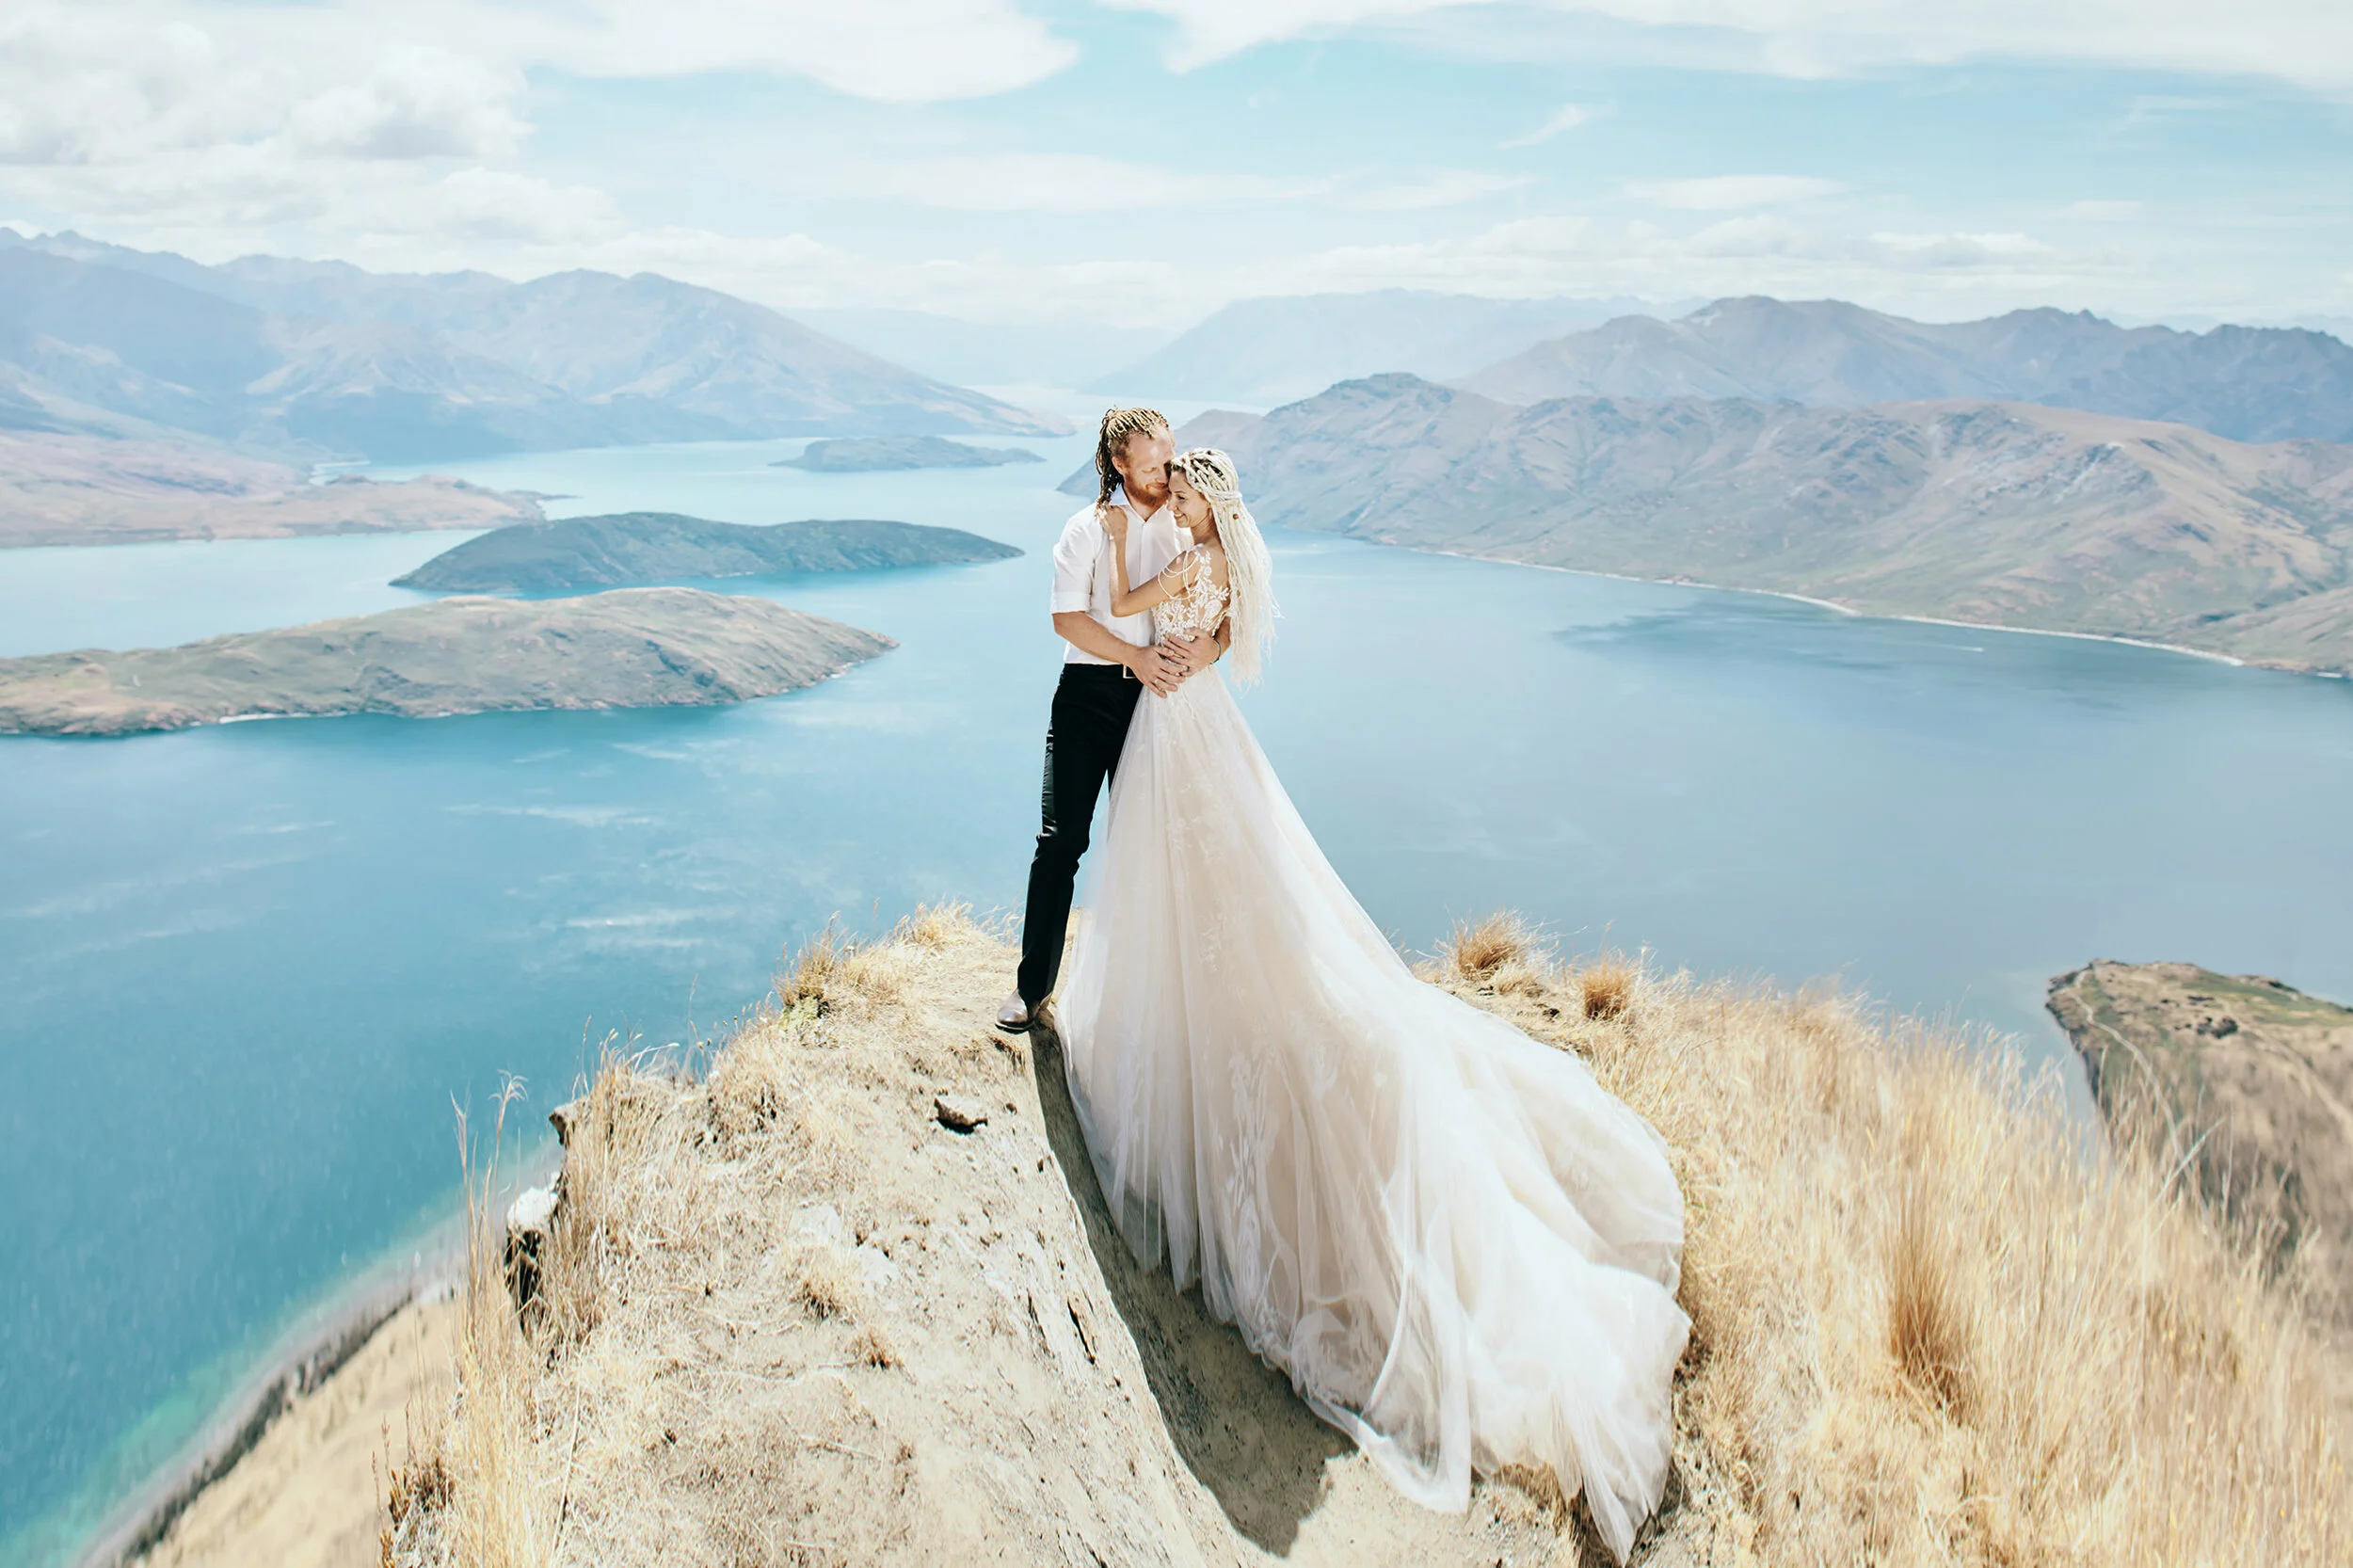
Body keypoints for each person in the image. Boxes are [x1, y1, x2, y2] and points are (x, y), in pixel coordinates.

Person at [1053, 447, 1690, 1562]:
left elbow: (1161, 631)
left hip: (1179, 731)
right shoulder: (1210, 558)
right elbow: (1151, 617)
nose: (1177, 500)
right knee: (1221, 899)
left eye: (1186, 488)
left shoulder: (1197, 560)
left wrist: (1147, 634)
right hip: (1194, 733)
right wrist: (1138, 599)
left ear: (1205, 497)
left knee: (1209, 896)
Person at [997, 406, 1224, 1033]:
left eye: (1168, 463)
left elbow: (1229, 600)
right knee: (1061, 842)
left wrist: (1213, 648)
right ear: (1118, 463)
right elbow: (1065, 619)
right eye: (1150, 466)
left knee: (1158, 847)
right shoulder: (1085, 529)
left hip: (1162, 706)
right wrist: (1136, 657)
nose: (1162, 476)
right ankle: (1030, 991)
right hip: (1087, 695)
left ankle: (1152, 1002)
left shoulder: (1189, 523)